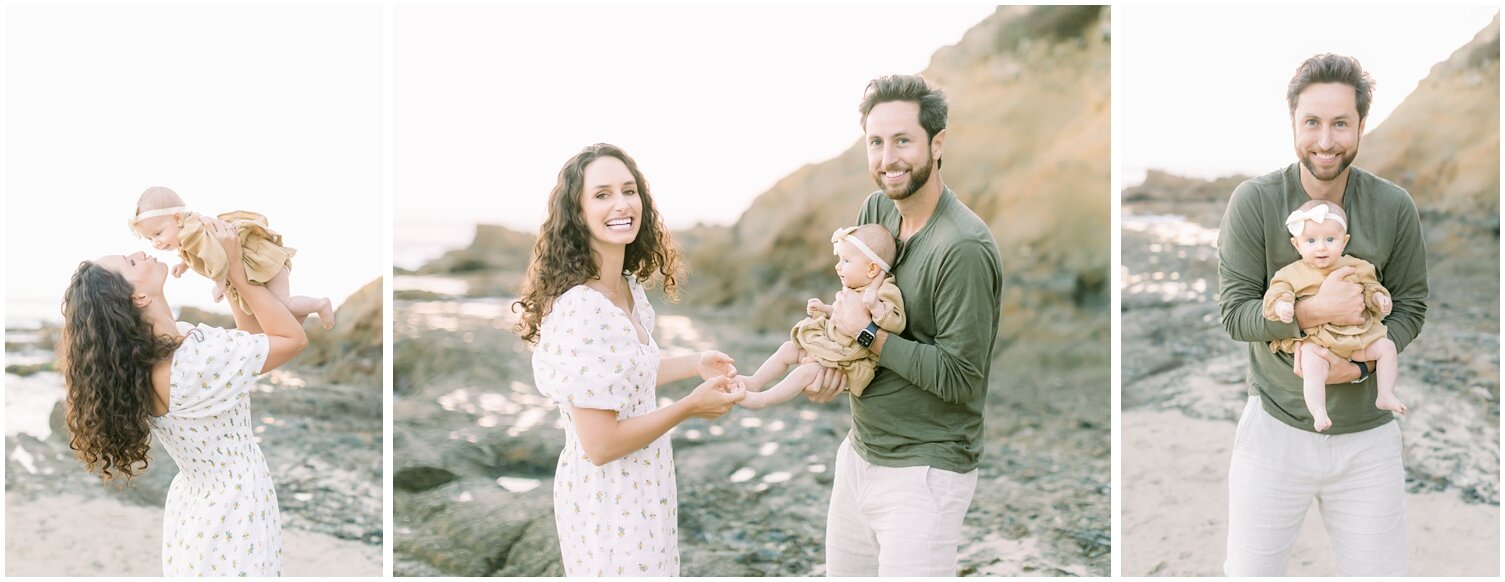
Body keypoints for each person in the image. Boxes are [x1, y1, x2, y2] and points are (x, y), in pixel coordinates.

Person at [1217, 53, 1427, 576]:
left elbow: (1411, 307)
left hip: (1369, 440)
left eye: (1340, 123)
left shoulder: (1394, 206)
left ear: (1360, 125)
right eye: (1312, 122)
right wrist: (1312, 312)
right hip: (1274, 432)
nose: (1326, 140)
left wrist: (1359, 367)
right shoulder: (1254, 202)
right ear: (1293, 123)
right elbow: (1235, 313)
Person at [516, 143, 747, 576]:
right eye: (601, 194)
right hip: (607, 502)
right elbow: (601, 445)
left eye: (629, 190)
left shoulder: (627, 291)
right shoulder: (582, 307)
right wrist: (690, 407)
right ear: (577, 212)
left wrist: (695, 363)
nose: (621, 204)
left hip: (645, 486)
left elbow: (622, 376)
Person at [805, 74, 1003, 576]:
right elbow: (857, 303)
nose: (887, 158)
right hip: (859, 453)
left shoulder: (962, 248)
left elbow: (961, 379)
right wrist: (834, 353)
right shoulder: (877, 213)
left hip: (925, 474)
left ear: (937, 144)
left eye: (902, 140)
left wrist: (869, 337)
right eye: (876, 142)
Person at [60, 217, 308, 576]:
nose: (140, 252)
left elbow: (252, 338)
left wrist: (223, 273)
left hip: (200, 506)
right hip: (234, 511)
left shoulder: (166, 354)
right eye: (131, 263)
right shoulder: (189, 364)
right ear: (138, 297)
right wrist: (237, 273)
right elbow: (292, 339)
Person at [1263, 200, 1404, 432]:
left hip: (1356, 338)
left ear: (1344, 240)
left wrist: (1379, 299)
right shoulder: (1290, 273)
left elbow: (1369, 287)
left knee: (1386, 348)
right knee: (1310, 364)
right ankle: (1318, 410)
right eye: (1311, 241)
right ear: (1296, 245)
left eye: (1330, 240)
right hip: (1319, 342)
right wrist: (1282, 307)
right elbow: (1278, 292)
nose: (1321, 247)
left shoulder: (1356, 266)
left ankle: (1385, 393)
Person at [735, 224, 905, 409]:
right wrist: (826, 309)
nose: (838, 266)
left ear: (872, 269)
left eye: (846, 261)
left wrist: (876, 306)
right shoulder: (856, 287)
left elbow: (897, 322)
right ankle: (755, 382)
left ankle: (763, 400)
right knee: (788, 349)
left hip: (849, 359)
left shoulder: (884, 290)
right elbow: (844, 317)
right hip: (833, 346)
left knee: (806, 372)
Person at [130, 186, 335, 330]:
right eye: (149, 239)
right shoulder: (188, 232)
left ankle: (319, 305)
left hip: (261, 262)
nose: (155, 243)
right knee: (273, 313)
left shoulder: (190, 234)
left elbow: (217, 257)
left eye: (158, 234)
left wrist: (219, 283)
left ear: (176, 218)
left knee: (280, 306)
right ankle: (302, 315)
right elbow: (201, 251)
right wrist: (184, 265)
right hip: (256, 265)